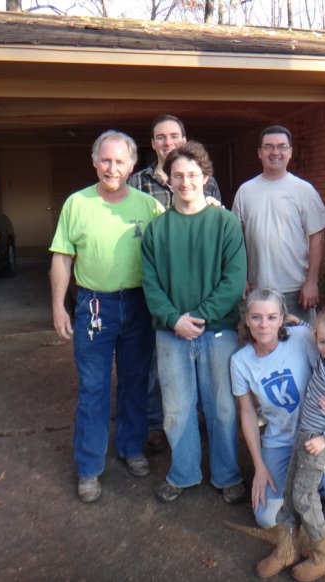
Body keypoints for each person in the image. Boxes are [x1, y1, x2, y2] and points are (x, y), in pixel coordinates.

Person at [49, 130, 163, 503]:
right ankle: (89, 468)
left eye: (120, 161)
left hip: (139, 303)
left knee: (135, 381)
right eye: (106, 160)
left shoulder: (149, 207)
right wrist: (58, 305)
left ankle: (131, 448)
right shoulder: (77, 203)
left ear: (132, 165)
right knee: (94, 387)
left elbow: (172, 245)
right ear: (95, 162)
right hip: (95, 306)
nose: (112, 168)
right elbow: (62, 257)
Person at [141, 140, 247, 504]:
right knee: (176, 408)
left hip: (217, 331)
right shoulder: (157, 230)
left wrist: (197, 317)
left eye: (192, 174)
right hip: (171, 333)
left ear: (205, 177)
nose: (185, 182)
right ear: (168, 180)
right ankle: (182, 474)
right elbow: (150, 283)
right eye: (178, 175)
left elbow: (234, 280)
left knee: (222, 407)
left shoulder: (225, 223)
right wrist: (174, 320)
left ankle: (227, 474)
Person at [128, 114, 221, 455]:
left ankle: (196, 419)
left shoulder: (205, 179)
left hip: (196, 284)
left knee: (198, 361)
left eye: (174, 136)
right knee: (158, 360)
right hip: (157, 285)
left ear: (184, 139)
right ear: (152, 143)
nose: (168, 142)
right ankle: (157, 422)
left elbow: (214, 220)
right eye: (160, 137)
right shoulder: (137, 182)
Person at [231, 288, 325, 531]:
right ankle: (301, 491)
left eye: (271, 317)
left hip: (319, 433)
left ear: (282, 319)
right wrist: (259, 467)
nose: (264, 324)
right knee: (266, 518)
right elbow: (247, 413)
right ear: (247, 320)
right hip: (281, 441)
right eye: (256, 317)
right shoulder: (240, 361)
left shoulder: (300, 338)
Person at [256, 309, 325, 582]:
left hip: (318, 440)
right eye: (322, 341)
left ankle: (324, 557)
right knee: (291, 491)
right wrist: (300, 322)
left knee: (304, 496)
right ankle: (286, 549)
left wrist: (324, 439)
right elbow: (320, 333)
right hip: (306, 436)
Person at [232, 126, 325, 322]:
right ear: (259, 153)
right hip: (256, 290)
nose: (275, 152)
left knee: (300, 340)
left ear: (290, 152)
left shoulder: (304, 190)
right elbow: (235, 240)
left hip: (296, 291)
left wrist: (312, 282)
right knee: (258, 340)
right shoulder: (245, 191)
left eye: (281, 147)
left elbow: (317, 238)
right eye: (268, 147)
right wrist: (241, 278)